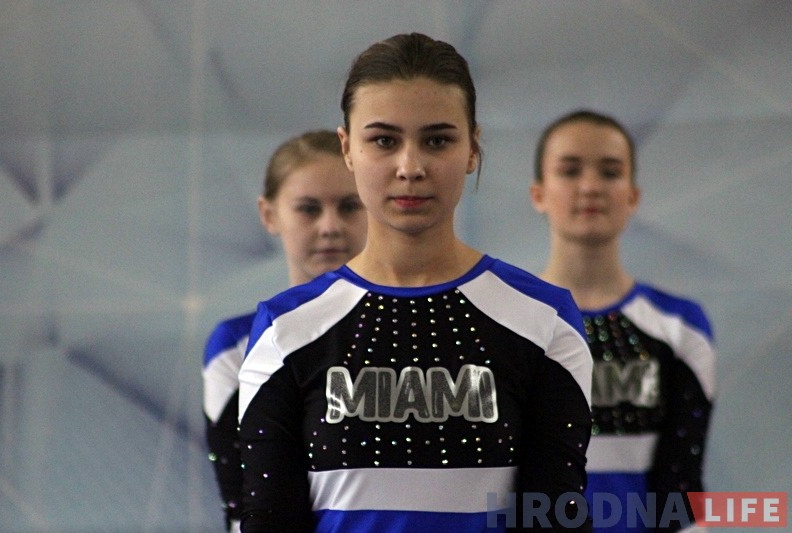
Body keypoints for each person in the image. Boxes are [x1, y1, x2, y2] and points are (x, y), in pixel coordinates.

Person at [238, 33, 593, 532]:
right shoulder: (285, 329)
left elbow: (556, 518)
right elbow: (269, 521)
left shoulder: (545, 322)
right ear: (347, 148)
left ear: (473, 147)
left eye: (437, 140)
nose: (410, 167)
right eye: (383, 140)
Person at [530, 109, 716, 532]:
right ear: (538, 193)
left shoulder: (680, 327)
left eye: (610, 172)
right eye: (570, 170)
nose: (591, 186)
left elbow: (683, 483)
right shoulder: (508, 323)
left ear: (632, 195)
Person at [202, 130, 367, 532]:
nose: (330, 226)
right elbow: (244, 503)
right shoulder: (237, 347)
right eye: (308, 209)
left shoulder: (414, 333)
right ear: (269, 214)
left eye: (349, 207)